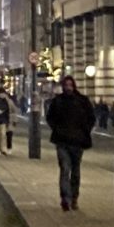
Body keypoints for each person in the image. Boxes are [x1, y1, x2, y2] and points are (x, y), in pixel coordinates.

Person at [45, 76, 95, 212]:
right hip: (62, 141)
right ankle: (65, 199)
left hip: (77, 141)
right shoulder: (58, 101)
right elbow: (50, 117)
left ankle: (74, 197)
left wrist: (85, 131)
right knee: (65, 169)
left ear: (74, 86)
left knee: (76, 171)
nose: (68, 87)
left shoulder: (82, 101)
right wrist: (57, 129)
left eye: (70, 85)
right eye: (66, 85)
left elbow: (91, 118)